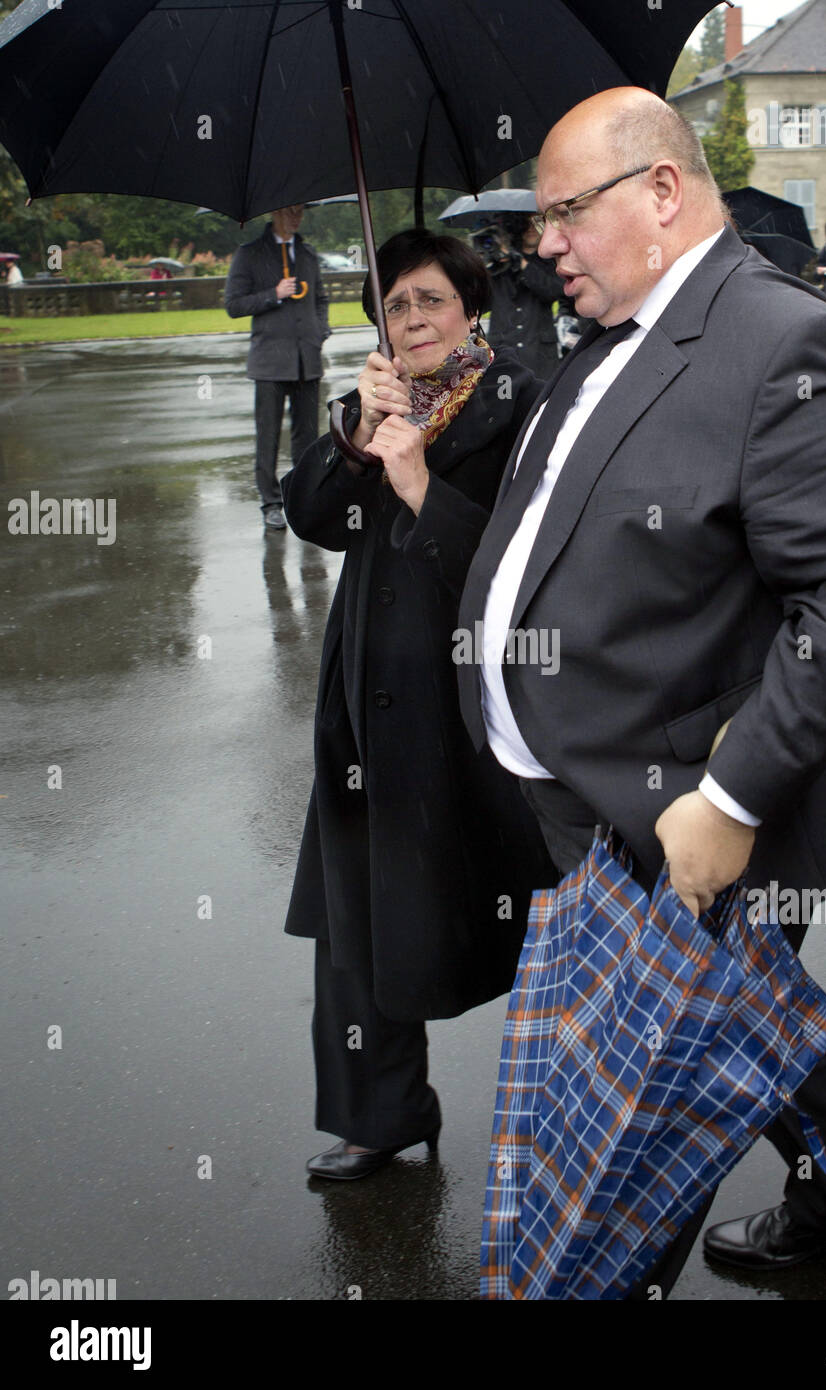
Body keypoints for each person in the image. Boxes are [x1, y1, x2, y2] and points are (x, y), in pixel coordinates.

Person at [457, 87, 826, 1294]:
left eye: (564, 211)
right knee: (724, 1030)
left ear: (662, 192)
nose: (541, 240)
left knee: (619, 1169)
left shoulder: (782, 339)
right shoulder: (604, 334)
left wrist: (725, 798)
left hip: (680, 829)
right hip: (576, 806)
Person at [281, 228, 555, 1181]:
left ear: (470, 305)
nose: (414, 320)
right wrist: (357, 440)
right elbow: (311, 516)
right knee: (360, 912)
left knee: (521, 905)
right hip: (366, 691)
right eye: (395, 306)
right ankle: (381, 1113)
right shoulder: (374, 401)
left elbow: (524, 562)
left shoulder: (523, 397)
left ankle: (566, 1115)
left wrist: (419, 483)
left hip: (466, 704)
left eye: (430, 299)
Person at [225, 205, 329, 530]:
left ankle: (305, 498)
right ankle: (271, 503)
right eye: (290, 211)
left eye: (300, 211)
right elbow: (234, 304)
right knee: (268, 437)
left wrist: (320, 331)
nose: (296, 217)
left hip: (306, 361)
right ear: (275, 213)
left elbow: (321, 299)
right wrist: (274, 293)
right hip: (270, 363)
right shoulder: (250, 254)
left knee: (308, 437)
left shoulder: (308, 254)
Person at [476, 213, 569, 378]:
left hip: (540, 352)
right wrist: (494, 261)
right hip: (504, 350)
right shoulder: (500, 261)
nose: (531, 229)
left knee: (541, 399)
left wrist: (523, 265)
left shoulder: (552, 261)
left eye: (536, 223)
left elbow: (553, 291)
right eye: (525, 224)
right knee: (504, 398)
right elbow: (483, 302)